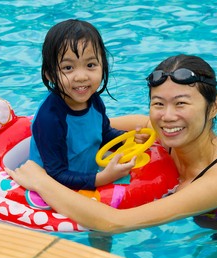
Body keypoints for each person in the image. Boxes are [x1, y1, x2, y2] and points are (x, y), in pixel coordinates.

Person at [8, 54, 217, 258]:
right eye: (158, 103)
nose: (167, 117)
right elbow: (94, 128)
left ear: (214, 107)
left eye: (181, 103)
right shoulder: (164, 131)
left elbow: (114, 222)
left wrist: (42, 181)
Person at [29, 19, 136, 191]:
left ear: (103, 65)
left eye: (90, 65)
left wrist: (127, 140)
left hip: (84, 176)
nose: (81, 76)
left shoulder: (94, 101)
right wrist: (101, 178)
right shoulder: (50, 118)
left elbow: (103, 134)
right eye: (68, 67)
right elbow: (55, 174)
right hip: (54, 190)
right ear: (49, 74)